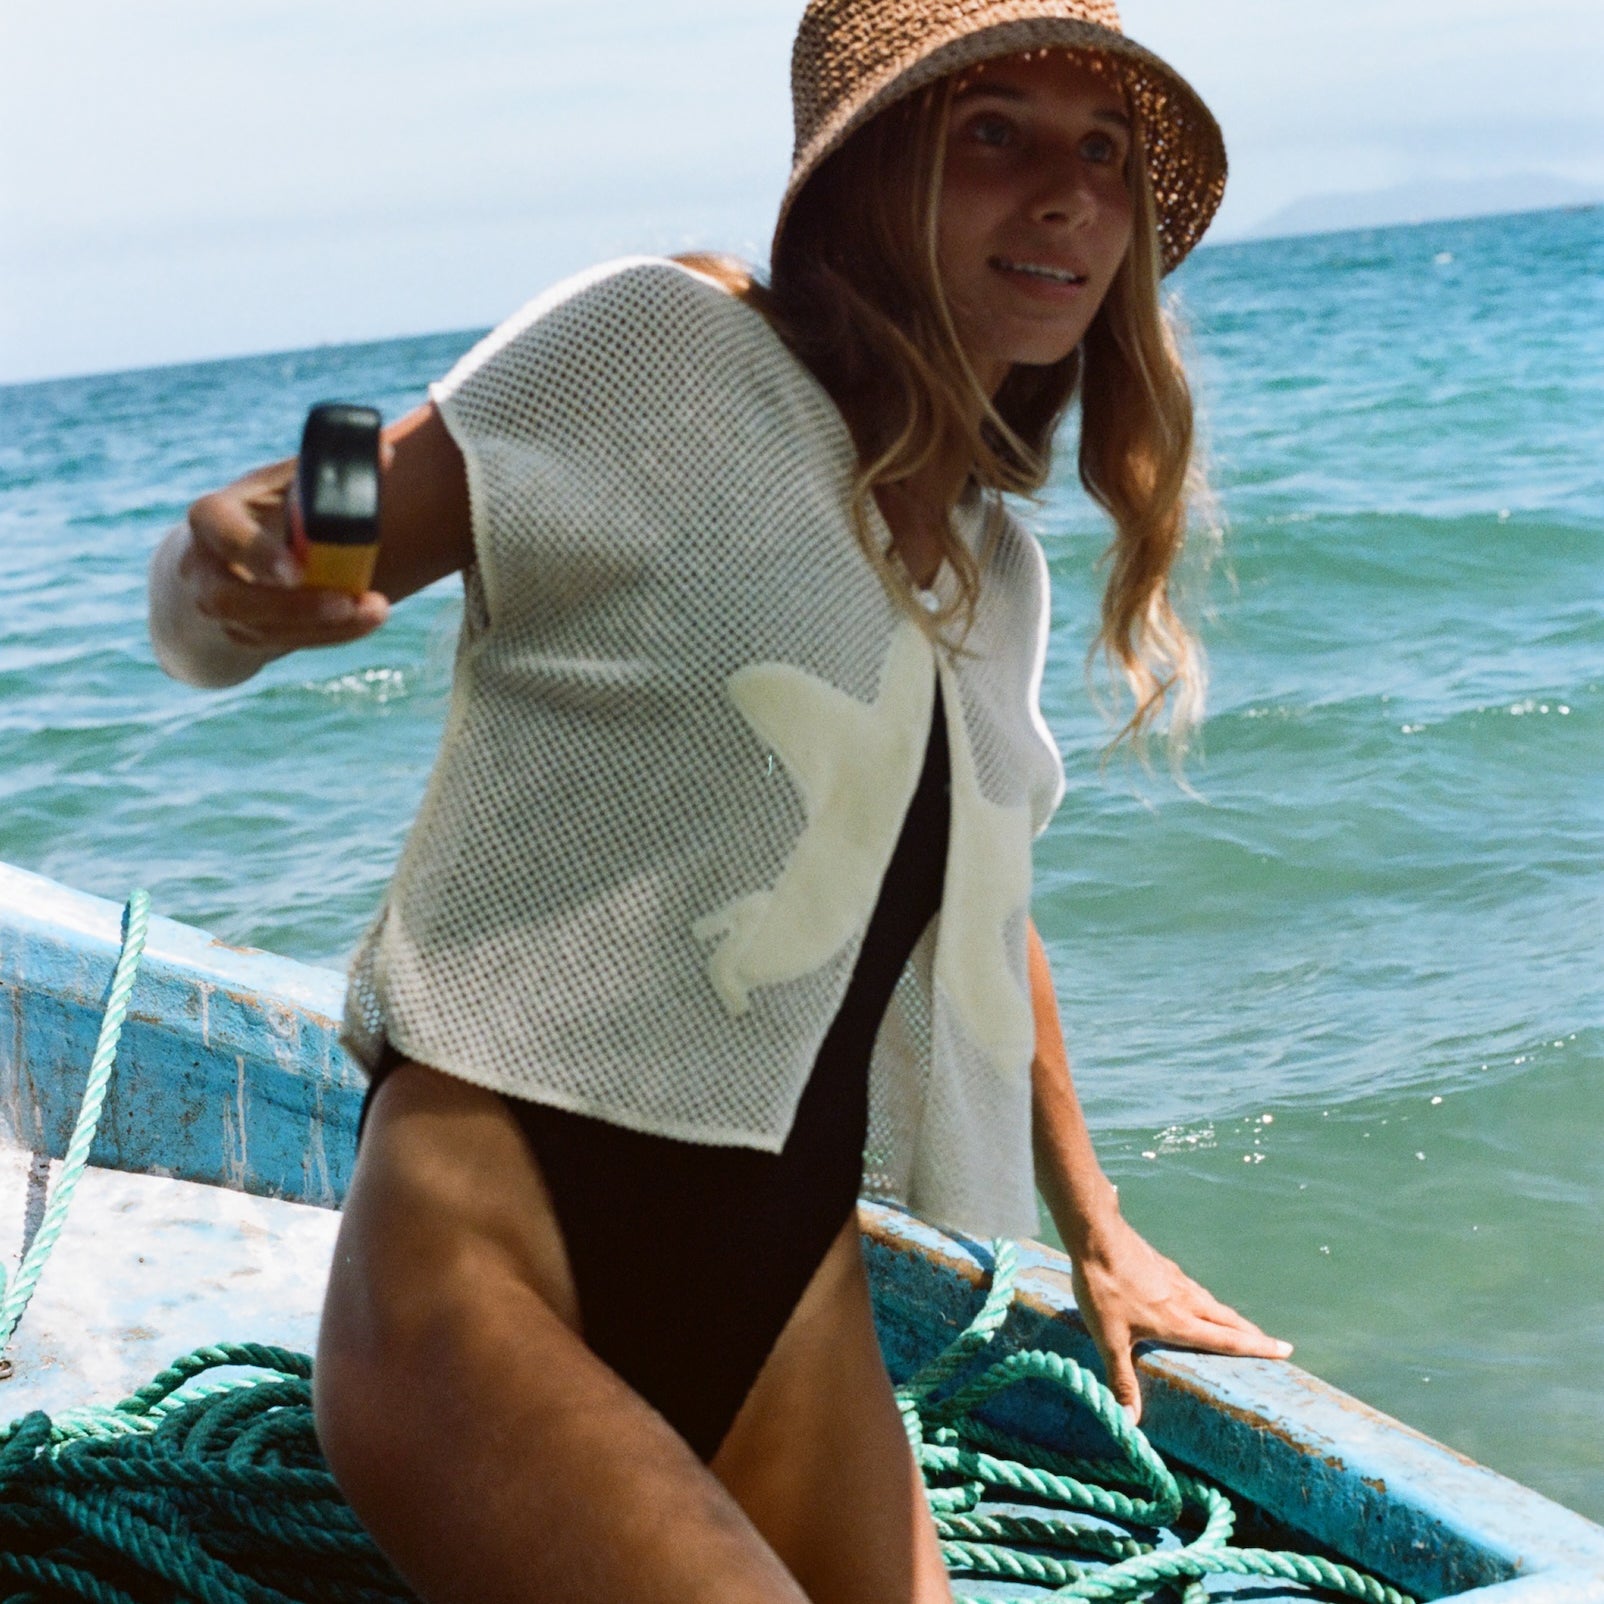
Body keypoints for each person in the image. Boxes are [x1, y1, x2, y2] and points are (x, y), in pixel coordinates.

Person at [148, 0, 1293, 1598]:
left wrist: (1098, 1226)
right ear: (872, 170)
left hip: (782, 1303)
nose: (1069, 195)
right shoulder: (667, 347)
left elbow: (982, 918)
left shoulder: (996, 568)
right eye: (996, 134)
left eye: (1103, 151)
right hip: (491, 1261)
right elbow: (267, 573)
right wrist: (219, 583)